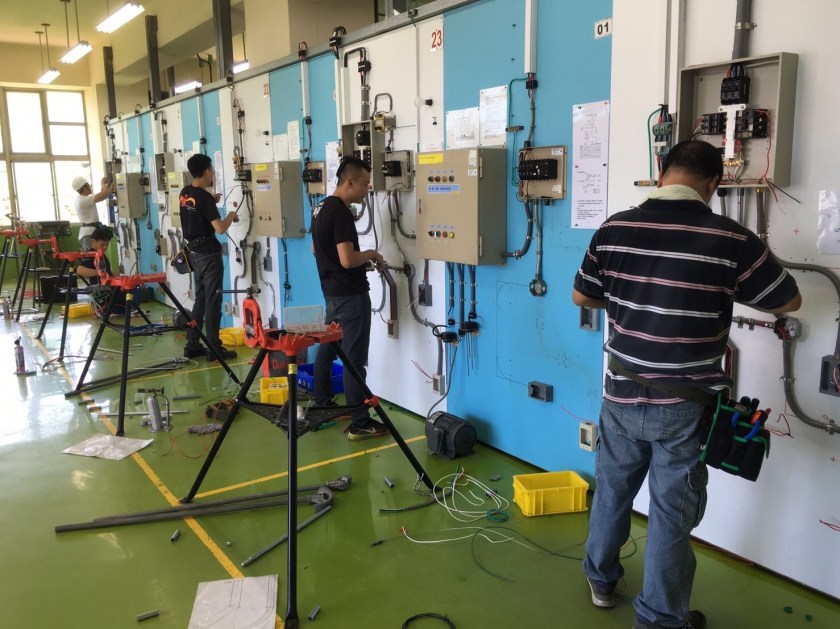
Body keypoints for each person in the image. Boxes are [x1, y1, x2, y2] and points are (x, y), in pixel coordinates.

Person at [572, 140, 802, 629]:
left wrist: (633, 298)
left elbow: (582, 295)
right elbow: (789, 301)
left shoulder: (614, 228)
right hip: (686, 405)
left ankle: (600, 579)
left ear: (661, 172)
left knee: (612, 490)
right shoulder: (731, 239)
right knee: (671, 512)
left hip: (620, 391)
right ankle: (659, 617)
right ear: (714, 183)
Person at [311, 156, 389, 440]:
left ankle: (323, 404)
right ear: (350, 182)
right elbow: (346, 259)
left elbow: (317, 250)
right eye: (365, 184)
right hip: (351, 296)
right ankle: (360, 422)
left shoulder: (320, 208)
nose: (368, 189)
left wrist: (352, 262)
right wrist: (371, 255)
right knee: (354, 359)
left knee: (329, 348)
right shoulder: (341, 212)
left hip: (332, 293)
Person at [179, 153, 239, 362]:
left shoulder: (186, 193)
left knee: (201, 300)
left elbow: (195, 210)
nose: (212, 173)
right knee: (213, 301)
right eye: (211, 169)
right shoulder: (204, 197)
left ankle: (192, 344)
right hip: (209, 255)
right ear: (206, 171)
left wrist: (211, 202)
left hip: (194, 254)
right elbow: (220, 228)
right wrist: (231, 214)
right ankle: (214, 348)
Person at [75, 226, 146, 315]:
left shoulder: (102, 255)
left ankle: (128, 309)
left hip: (112, 290)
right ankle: (128, 309)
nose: (105, 247)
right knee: (141, 291)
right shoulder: (91, 255)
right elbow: (79, 270)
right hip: (107, 295)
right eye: (102, 244)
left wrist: (123, 278)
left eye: (107, 244)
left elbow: (109, 274)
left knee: (137, 286)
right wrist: (99, 273)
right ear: (93, 242)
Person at [72, 175, 112, 250]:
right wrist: (102, 183)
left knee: (94, 255)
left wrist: (111, 187)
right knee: (91, 255)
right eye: (89, 185)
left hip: (87, 232)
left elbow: (104, 194)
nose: (90, 187)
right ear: (84, 187)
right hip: (89, 233)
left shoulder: (80, 199)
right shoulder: (85, 199)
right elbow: (105, 193)